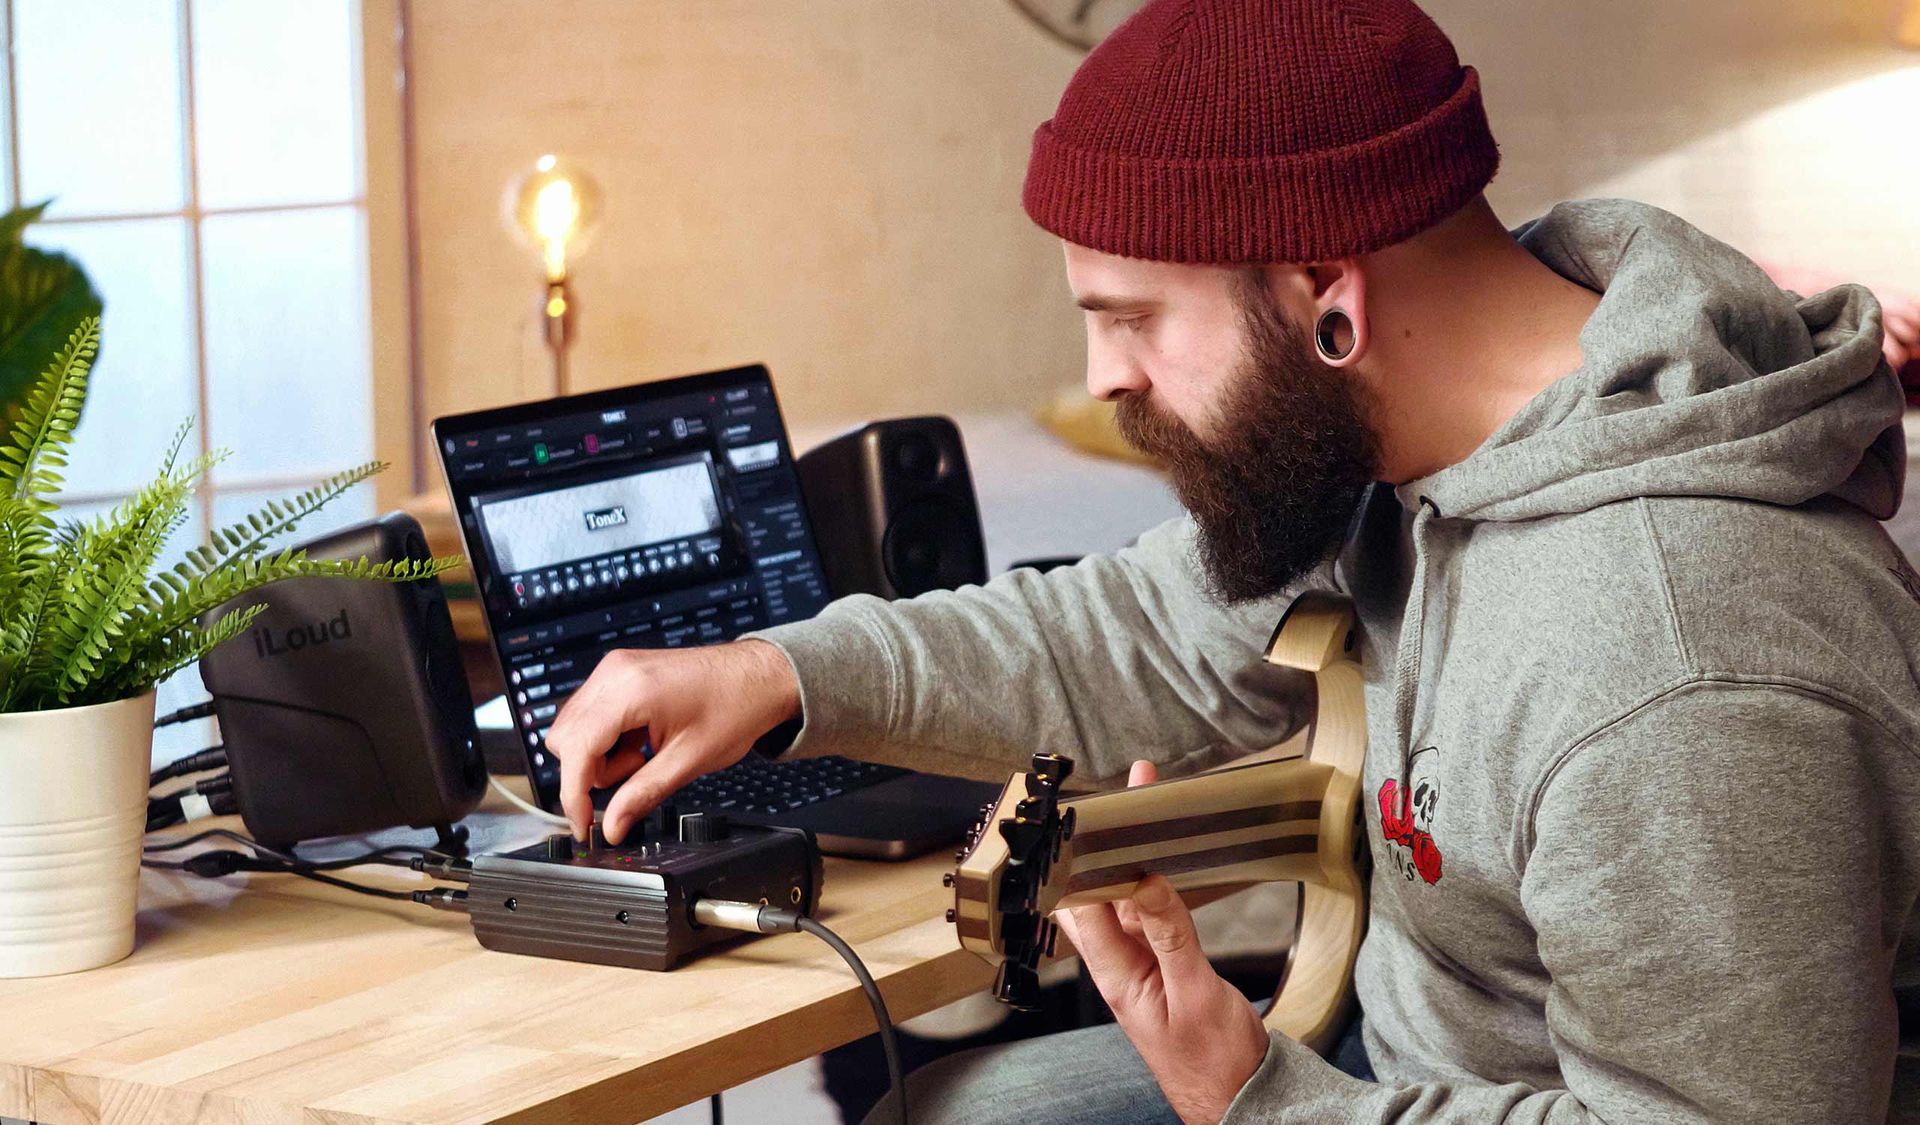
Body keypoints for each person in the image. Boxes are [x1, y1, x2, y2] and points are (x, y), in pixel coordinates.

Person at [544, 0, 1920, 1120]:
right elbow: (1142, 627)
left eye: (1134, 317)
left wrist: (1255, 1097)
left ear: (1329, 294)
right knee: (947, 1111)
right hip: (1403, 1071)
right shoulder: (1406, 447)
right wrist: (778, 671)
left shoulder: (1678, 657)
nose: (1102, 375)